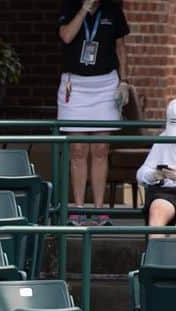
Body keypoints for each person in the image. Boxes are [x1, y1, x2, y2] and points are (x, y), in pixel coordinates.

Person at [57, 0, 131, 226]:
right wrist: (83, 10)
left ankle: (100, 211)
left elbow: (121, 48)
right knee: (78, 149)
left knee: (100, 148)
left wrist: (125, 81)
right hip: (75, 86)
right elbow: (67, 36)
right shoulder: (69, 8)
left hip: (105, 85)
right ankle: (78, 209)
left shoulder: (113, 12)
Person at [136, 98, 176, 229]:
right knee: (157, 211)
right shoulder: (163, 139)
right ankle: (155, 250)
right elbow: (141, 174)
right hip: (166, 192)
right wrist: (155, 175)